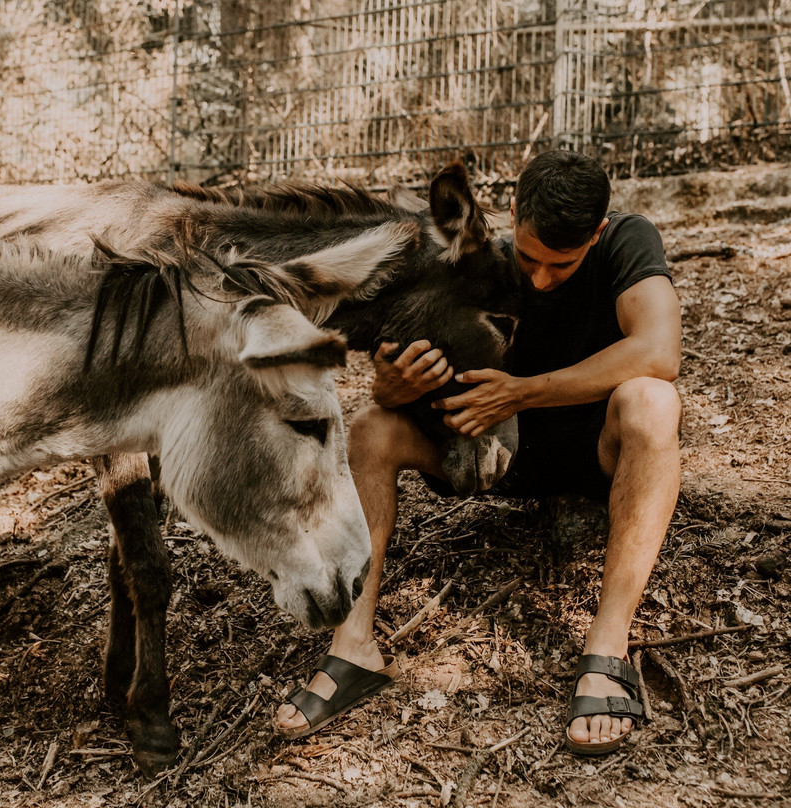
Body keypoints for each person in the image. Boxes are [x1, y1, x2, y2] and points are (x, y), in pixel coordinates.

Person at [274, 149, 682, 756]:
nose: (539, 278)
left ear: (596, 233)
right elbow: (391, 381)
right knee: (370, 427)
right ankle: (354, 645)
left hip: (596, 449)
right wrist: (394, 386)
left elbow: (659, 351)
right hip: (492, 456)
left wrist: (522, 393)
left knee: (653, 401)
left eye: (561, 265)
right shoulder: (475, 262)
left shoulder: (627, 241)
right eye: (530, 257)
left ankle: (607, 649)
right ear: (512, 212)